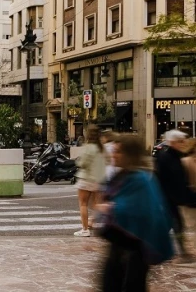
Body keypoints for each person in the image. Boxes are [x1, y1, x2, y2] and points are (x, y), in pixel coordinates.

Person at [97, 134, 173, 292]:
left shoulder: (141, 179)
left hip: (134, 249)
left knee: (131, 285)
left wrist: (111, 208)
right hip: (119, 246)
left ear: (129, 154)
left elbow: (144, 210)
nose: (113, 154)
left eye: (118, 151)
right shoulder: (122, 175)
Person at [154, 129, 196, 258]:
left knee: (174, 224)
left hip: (172, 198)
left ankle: (158, 247)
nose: (183, 144)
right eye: (180, 141)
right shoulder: (165, 157)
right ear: (173, 142)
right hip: (167, 197)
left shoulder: (175, 156)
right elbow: (163, 178)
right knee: (172, 224)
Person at [73, 125, 107, 237]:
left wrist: (78, 162)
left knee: (83, 204)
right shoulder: (101, 148)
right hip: (98, 180)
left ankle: (85, 229)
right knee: (96, 205)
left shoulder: (89, 147)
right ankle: (94, 222)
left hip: (86, 179)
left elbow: (82, 163)